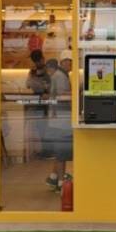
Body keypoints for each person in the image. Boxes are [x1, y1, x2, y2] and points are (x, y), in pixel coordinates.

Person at [45, 49, 73, 192]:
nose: (70, 65)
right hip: (61, 120)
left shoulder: (59, 74)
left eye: (71, 62)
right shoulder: (61, 76)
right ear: (63, 62)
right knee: (62, 152)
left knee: (59, 151)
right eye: (68, 62)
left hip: (58, 119)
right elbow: (62, 96)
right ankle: (61, 184)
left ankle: (53, 177)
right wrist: (77, 94)